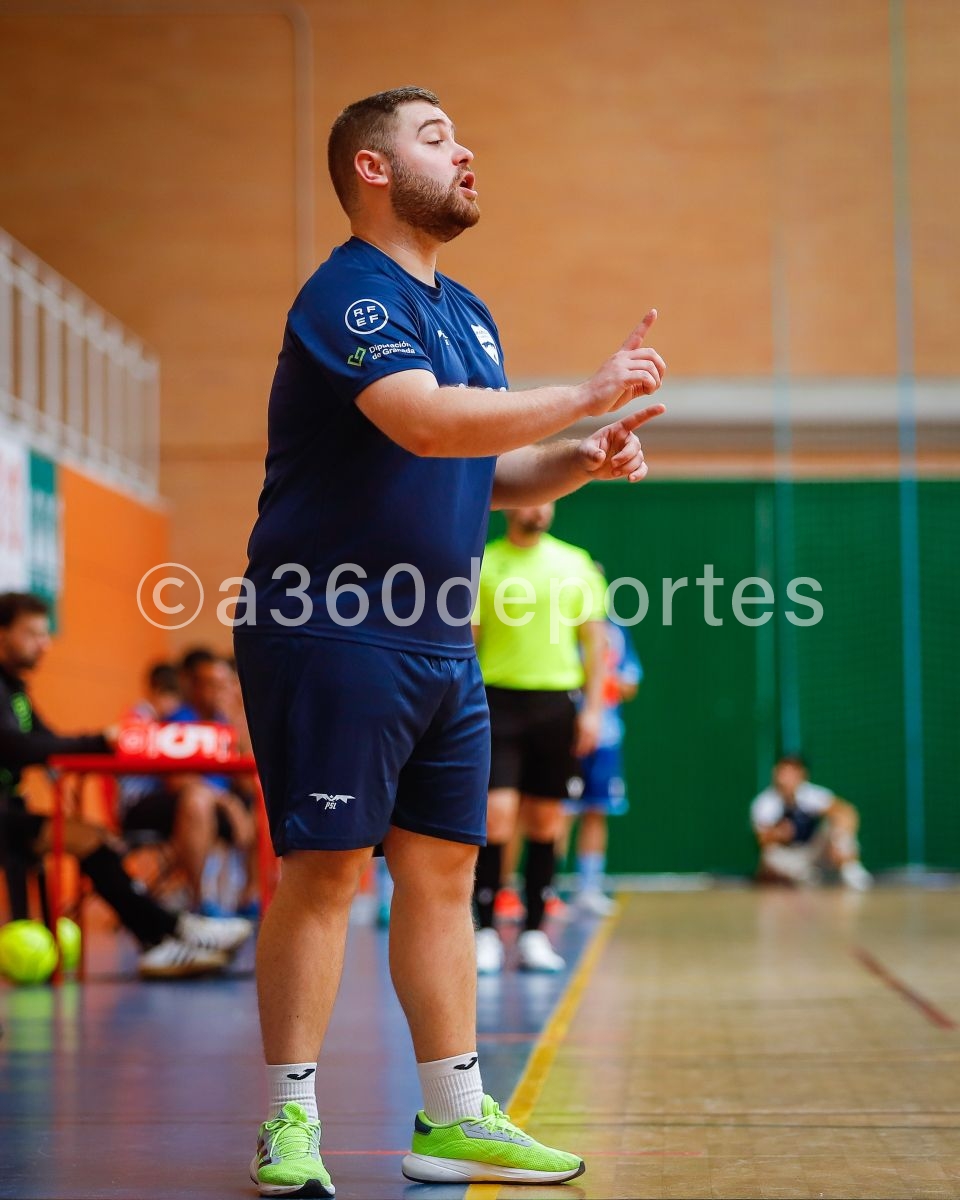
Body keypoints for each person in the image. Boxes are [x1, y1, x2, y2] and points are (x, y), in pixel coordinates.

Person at [234, 86, 665, 1193]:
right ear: (373, 170)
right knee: (327, 870)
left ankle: (455, 1115)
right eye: (435, 137)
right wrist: (580, 391)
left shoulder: (469, 310)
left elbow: (480, 467)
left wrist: (580, 454)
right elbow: (423, 420)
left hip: (438, 640)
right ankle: (289, 1124)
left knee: (444, 873)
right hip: (332, 629)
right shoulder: (348, 293)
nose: (464, 150)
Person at [0, 592, 253, 977]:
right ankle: (168, 932)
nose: (44, 644)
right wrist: (101, 739)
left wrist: (107, 744)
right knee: (90, 838)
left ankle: (167, 934)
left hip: (11, 810)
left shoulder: (15, 689)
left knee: (94, 836)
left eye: (44, 634)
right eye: (32, 634)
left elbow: (47, 740)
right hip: (5, 816)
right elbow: (13, 747)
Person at [471, 503, 607, 974]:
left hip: (555, 705)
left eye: (549, 499)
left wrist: (592, 711)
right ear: (511, 504)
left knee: (547, 821)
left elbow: (596, 644)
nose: (540, 507)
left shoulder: (576, 563)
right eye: (532, 496)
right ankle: (485, 929)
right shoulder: (483, 562)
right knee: (496, 816)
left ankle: (533, 933)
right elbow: (468, 640)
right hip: (497, 702)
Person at [118, 649, 257, 912]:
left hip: (213, 808)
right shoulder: (178, 719)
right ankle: (198, 902)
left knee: (263, 802)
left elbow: (248, 782)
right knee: (197, 800)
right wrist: (227, 802)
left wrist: (238, 726)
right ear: (193, 686)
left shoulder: (225, 724)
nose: (220, 691)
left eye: (225, 684)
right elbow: (178, 781)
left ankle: (249, 897)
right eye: (212, 684)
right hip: (170, 806)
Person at [565, 615, 642, 916]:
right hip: (566, 735)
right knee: (561, 813)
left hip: (607, 737)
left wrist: (602, 681)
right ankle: (548, 892)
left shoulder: (617, 630)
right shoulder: (560, 626)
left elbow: (630, 683)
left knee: (597, 810)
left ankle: (589, 888)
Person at [751, 754, 873, 890]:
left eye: (792, 773)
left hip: (815, 850)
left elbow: (846, 812)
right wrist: (779, 833)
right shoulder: (764, 803)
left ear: (801, 774)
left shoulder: (811, 794)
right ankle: (806, 876)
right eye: (783, 772)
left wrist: (839, 838)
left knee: (836, 824)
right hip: (792, 856)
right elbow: (762, 840)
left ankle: (850, 870)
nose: (786, 778)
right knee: (770, 856)